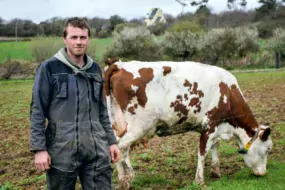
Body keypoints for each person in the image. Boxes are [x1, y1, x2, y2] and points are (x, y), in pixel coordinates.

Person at [30, 17, 120, 190]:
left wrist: (111, 141)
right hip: (61, 150)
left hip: (96, 149)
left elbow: (101, 109)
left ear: (88, 39)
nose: (79, 42)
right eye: (74, 37)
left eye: (83, 37)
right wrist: (39, 149)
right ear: (65, 39)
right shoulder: (49, 68)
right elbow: (37, 110)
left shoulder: (94, 69)